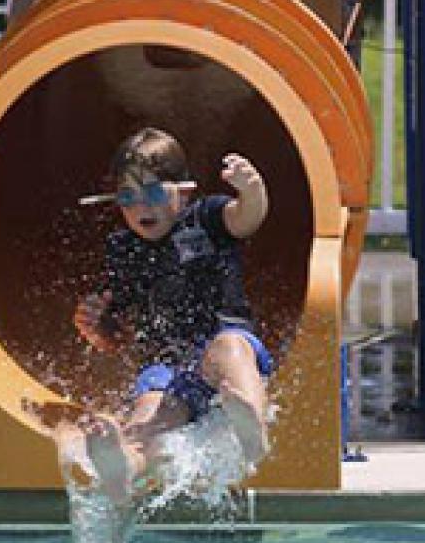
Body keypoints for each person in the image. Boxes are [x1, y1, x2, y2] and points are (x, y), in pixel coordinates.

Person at [35, 127, 274, 505]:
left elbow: (247, 218)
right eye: (127, 197)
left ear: (184, 190)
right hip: (168, 367)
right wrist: (96, 326)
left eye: (153, 193)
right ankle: (123, 466)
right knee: (147, 416)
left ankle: (252, 427)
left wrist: (252, 190)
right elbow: (118, 335)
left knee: (229, 350)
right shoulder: (123, 250)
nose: (140, 207)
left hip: (223, 345)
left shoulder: (207, 218)